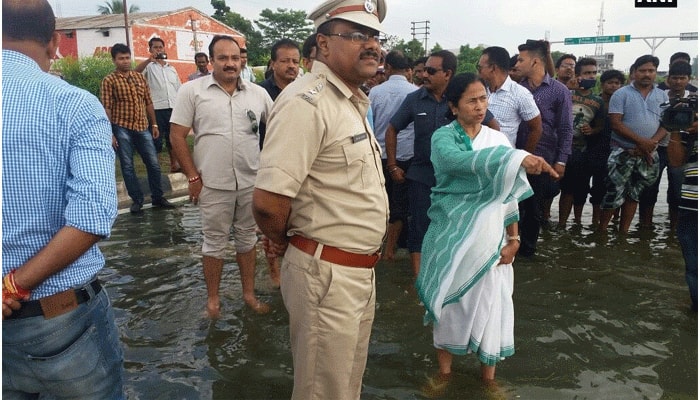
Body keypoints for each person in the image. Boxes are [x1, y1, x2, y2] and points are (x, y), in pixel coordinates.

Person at [252, 0, 389, 398]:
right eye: (357, 35)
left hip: (355, 272)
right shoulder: (305, 102)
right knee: (322, 392)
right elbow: (267, 203)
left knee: (345, 388)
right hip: (327, 274)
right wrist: (285, 241)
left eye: (375, 37)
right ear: (323, 45)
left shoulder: (349, 101)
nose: (372, 46)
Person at [2, 0, 124, 397]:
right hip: (61, 320)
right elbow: (91, 217)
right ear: (55, 43)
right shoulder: (74, 104)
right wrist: (12, 288)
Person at [415, 73, 558, 397]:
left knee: (491, 307)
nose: (481, 106)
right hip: (451, 236)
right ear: (453, 106)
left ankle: (489, 379)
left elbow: (507, 197)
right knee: (450, 306)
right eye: (472, 100)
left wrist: (514, 240)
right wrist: (518, 157)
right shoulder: (443, 139)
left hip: (492, 239)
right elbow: (458, 163)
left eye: (484, 98)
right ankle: (444, 372)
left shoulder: (497, 141)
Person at [169, 35, 273, 318]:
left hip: (250, 181)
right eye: (223, 58)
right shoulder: (192, 91)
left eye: (235, 58)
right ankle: (213, 300)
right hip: (211, 182)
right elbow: (176, 135)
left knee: (246, 239)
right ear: (211, 61)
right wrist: (192, 176)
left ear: (242, 60)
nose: (230, 64)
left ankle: (248, 294)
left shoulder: (258, 94)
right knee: (213, 241)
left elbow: (276, 131)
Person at [386, 49, 500, 276]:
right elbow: (392, 129)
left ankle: (450, 278)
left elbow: (493, 127)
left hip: (457, 178)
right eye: (424, 70)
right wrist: (392, 165)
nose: (424, 75)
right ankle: (421, 284)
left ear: (447, 73)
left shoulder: (461, 99)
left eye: (430, 70)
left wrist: (479, 163)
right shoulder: (414, 99)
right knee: (419, 229)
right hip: (422, 175)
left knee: (455, 229)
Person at [101, 43, 176, 214]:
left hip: (142, 126)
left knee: (154, 164)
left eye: (127, 58)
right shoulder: (109, 80)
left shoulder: (139, 78)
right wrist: (110, 132)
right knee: (127, 166)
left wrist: (154, 123)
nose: (125, 61)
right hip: (121, 127)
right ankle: (137, 200)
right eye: (121, 58)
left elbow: (148, 102)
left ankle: (158, 197)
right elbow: (107, 107)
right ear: (114, 60)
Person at [514, 39, 573, 256]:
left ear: (536, 61)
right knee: (511, 206)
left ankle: (527, 253)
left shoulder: (559, 91)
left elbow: (566, 128)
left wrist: (561, 160)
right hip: (514, 156)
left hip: (543, 158)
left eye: (521, 59)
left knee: (533, 208)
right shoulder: (515, 89)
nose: (517, 64)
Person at [598, 55, 669, 234]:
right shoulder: (621, 94)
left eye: (651, 71)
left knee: (634, 195)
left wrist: (650, 144)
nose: (647, 74)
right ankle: (602, 232)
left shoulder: (662, 96)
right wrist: (642, 143)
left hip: (649, 152)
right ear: (634, 73)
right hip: (622, 151)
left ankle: (623, 234)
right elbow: (616, 123)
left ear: (655, 73)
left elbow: (667, 124)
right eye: (642, 70)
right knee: (614, 193)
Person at [369, 50, 417, 260]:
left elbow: (369, 126)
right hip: (407, 156)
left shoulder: (375, 93)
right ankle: (394, 248)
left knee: (380, 203)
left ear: (387, 68)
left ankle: (379, 247)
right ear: (407, 69)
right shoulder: (415, 92)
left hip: (380, 156)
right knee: (402, 204)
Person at [638, 61, 694, 230]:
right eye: (674, 78)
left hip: (685, 148)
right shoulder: (658, 95)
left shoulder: (695, 98)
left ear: (688, 79)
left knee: (677, 191)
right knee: (649, 187)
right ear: (668, 79)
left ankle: (675, 228)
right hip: (657, 147)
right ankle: (645, 226)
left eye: (682, 78)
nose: (678, 82)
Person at [557, 57, 604, 228]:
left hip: (581, 150)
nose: (591, 76)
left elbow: (600, 126)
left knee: (578, 189)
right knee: (558, 189)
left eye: (593, 73)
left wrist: (592, 131)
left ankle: (577, 222)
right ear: (578, 75)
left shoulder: (597, 101)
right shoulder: (566, 93)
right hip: (560, 147)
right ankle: (560, 223)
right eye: (587, 73)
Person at [135, 37, 183, 173]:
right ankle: (155, 167)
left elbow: (179, 88)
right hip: (156, 109)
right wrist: (149, 60)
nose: (158, 49)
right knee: (156, 138)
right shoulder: (148, 67)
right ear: (150, 49)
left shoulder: (171, 69)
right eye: (155, 47)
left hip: (173, 107)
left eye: (160, 47)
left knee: (172, 138)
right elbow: (134, 73)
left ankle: (175, 165)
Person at [478, 46, 542, 148]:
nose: (478, 72)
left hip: (502, 159)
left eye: (480, 68)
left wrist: (523, 156)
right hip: (475, 156)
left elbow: (536, 128)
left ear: (493, 68)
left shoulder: (520, 94)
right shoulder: (477, 90)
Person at [667, 101, 698, 312]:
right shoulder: (692, 124)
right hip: (691, 202)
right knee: (693, 265)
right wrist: (676, 130)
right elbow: (676, 161)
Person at [587, 69, 625, 227]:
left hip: (618, 149)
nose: (614, 86)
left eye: (617, 83)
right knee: (598, 188)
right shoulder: (596, 102)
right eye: (610, 82)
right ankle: (595, 221)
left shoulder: (624, 102)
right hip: (597, 148)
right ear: (602, 85)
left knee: (617, 187)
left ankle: (614, 220)